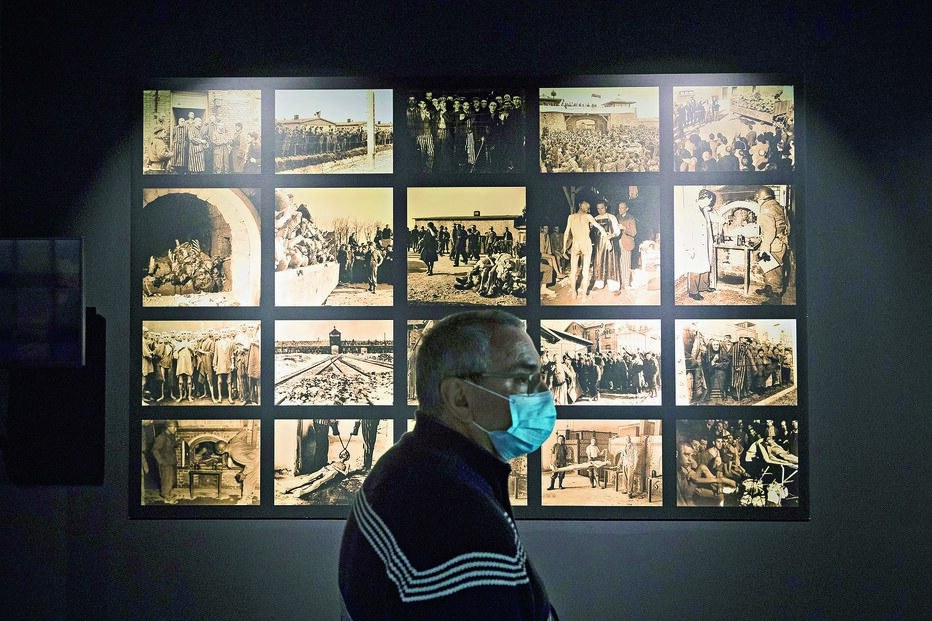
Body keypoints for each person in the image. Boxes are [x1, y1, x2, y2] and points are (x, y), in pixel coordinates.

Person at [339, 310, 557, 620]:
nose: (542, 395)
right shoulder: (461, 522)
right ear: (460, 399)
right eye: (522, 379)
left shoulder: (407, 464)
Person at [754, 186, 789, 300]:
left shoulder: (766, 208)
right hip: (778, 241)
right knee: (768, 267)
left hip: (772, 243)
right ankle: (769, 288)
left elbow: (770, 230)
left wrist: (765, 247)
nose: (758, 202)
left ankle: (776, 295)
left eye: (757, 200)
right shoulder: (776, 205)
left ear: (761, 197)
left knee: (774, 270)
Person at [563, 199, 604, 298]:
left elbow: (566, 233)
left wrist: (564, 249)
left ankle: (573, 293)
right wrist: (606, 237)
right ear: (588, 209)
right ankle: (584, 296)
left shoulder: (571, 217)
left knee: (573, 271)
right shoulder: (588, 216)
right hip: (586, 244)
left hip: (576, 244)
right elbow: (600, 227)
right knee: (585, 271)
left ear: (579, 205)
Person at [683, 188, 716, 301]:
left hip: (705, 242)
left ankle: (703, 286)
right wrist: (689, 248)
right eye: (709, 200)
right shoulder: (690, 210)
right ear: (704, 198)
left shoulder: (703, 209)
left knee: (705, 264)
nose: (710, 203)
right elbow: (687, 230)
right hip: (695, 243)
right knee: (695, 268)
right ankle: (693, 291)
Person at [214, 427, 259, 505]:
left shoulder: (235, 455)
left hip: (256, 458)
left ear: (221, 452)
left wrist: (243, 473)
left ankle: (244, 500)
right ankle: (249, 498)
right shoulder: (233, 441)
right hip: (255, 454)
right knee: (251, 478)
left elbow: (251, 464)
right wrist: (245, 429)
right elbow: (241, 434)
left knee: (247, 480)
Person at [152, 420, 179, 504]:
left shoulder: (170, 436)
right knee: (166, 480)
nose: (176, 429)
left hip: (171, 461)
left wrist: (177, 442)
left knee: (171, 480)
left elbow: (172, 445)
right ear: (168, 427)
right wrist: (162, 462)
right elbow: (154, 450)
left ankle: (169, 494)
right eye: (174, 427)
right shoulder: (161, 437)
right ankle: (166, 498)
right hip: (165, 462)